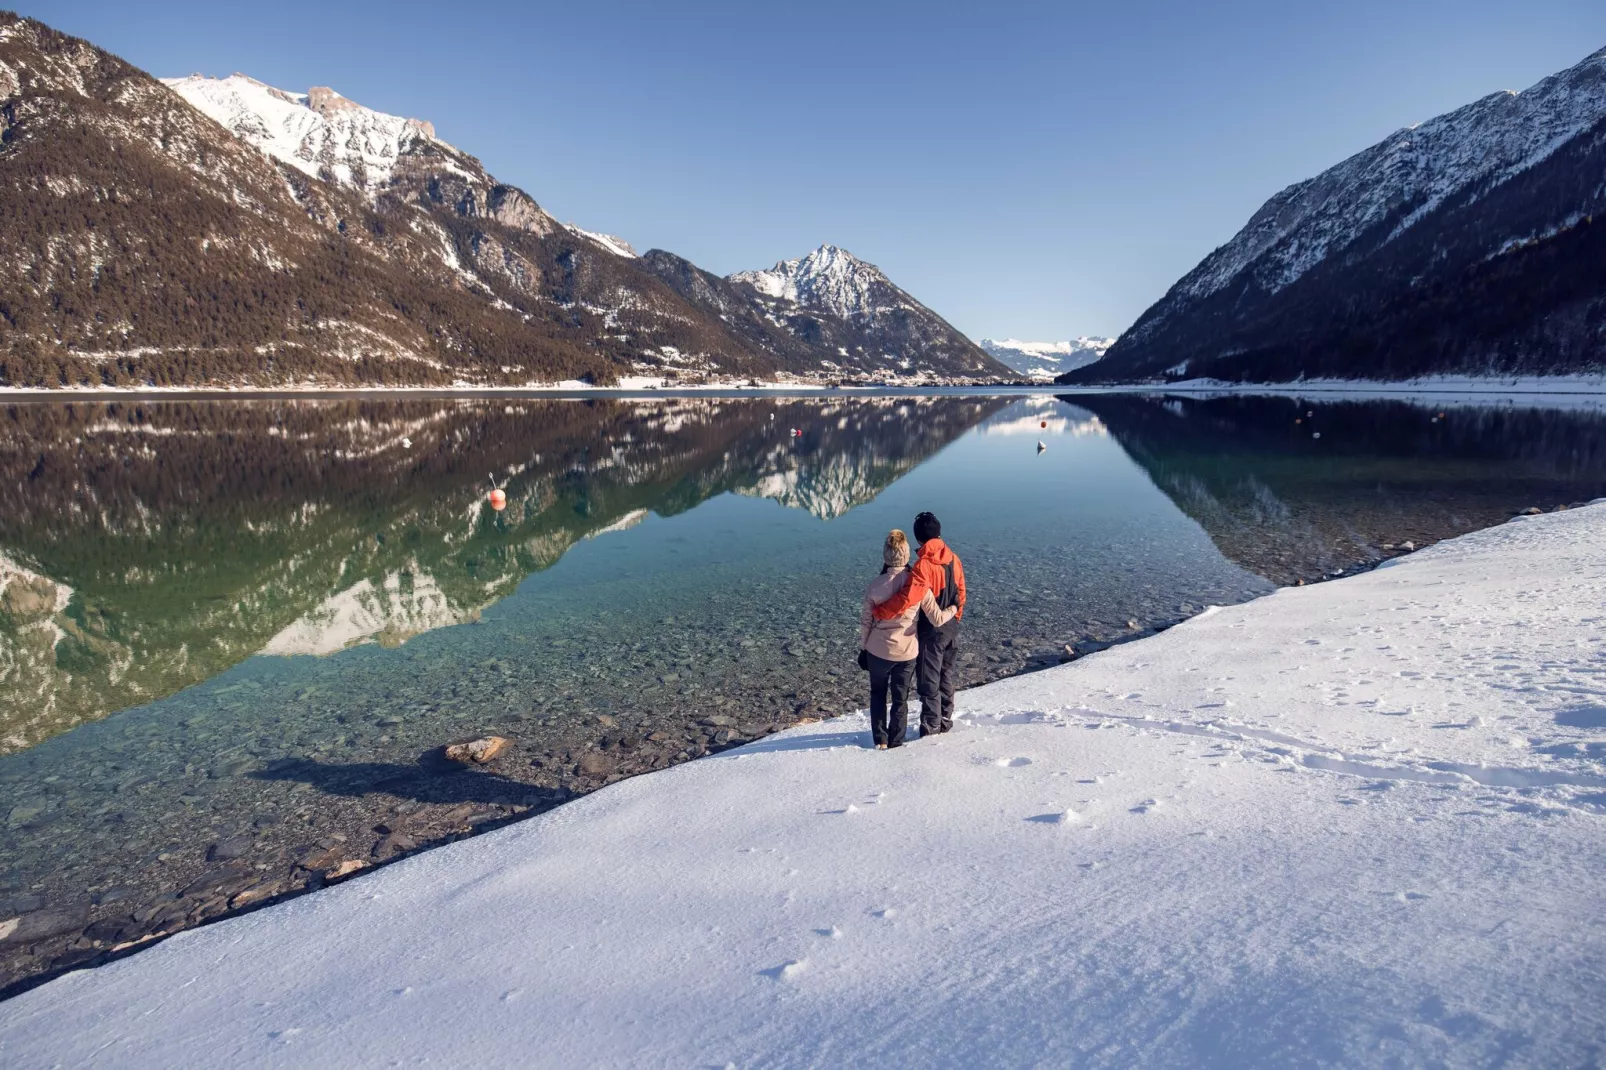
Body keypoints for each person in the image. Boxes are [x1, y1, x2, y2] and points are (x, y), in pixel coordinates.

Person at [871, 511, 966, 737]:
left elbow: (908, 599)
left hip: (931, 630)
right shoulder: (954, 558)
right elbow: (961, 592)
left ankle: (931, 728)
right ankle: (944, 717)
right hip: (951, 626)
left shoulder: (923, 565)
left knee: (928, 681)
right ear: (939, 532)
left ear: (918, 538)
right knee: (946, 674)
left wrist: (879, 611)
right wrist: (956, 615)